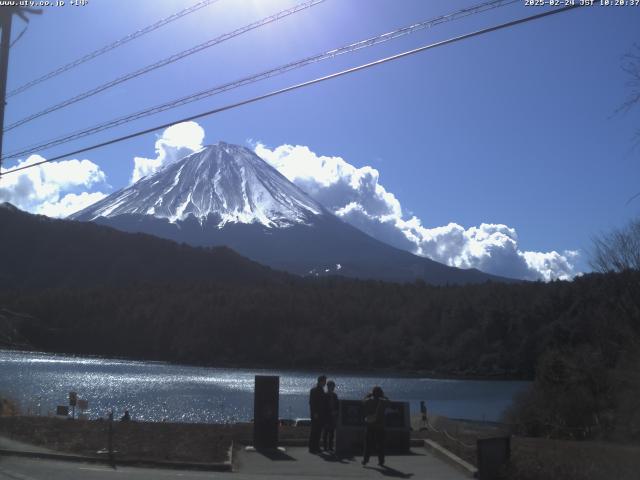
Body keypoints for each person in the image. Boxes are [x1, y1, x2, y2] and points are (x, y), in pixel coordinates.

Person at [362, 386, 388, 467]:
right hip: (380, 425)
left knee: (368, 444)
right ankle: (381, 461)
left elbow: (363, 401)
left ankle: (365, 460)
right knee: (380, 444)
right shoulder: (383, 402)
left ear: (373, 393)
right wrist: (383, 396)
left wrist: (368, 395)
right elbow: (389, 402)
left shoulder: (368, 401)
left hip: (370, 425)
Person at [308, 375, 327, 453]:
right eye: (324, 381)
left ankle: (315, 446)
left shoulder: (320, 389)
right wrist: (315, 412)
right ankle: (313, 447)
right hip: (316, 414)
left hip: (320, 413)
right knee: (315, 430)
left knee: (318, 430)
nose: (325, 383)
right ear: (321, 381)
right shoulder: (315, 390)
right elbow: (312, 403)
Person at [323, 380, 339, 451]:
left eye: (333, 386)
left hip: (333, 416)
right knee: (326, 432)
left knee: (332, 432)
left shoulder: (335, 395)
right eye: (331, 386)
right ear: (328, 387)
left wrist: (336, 411)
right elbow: (323, 406)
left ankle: (330, 446)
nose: (333, 388)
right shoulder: (325, 395)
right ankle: (325, 447)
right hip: (326, 416)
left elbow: (337, 405)